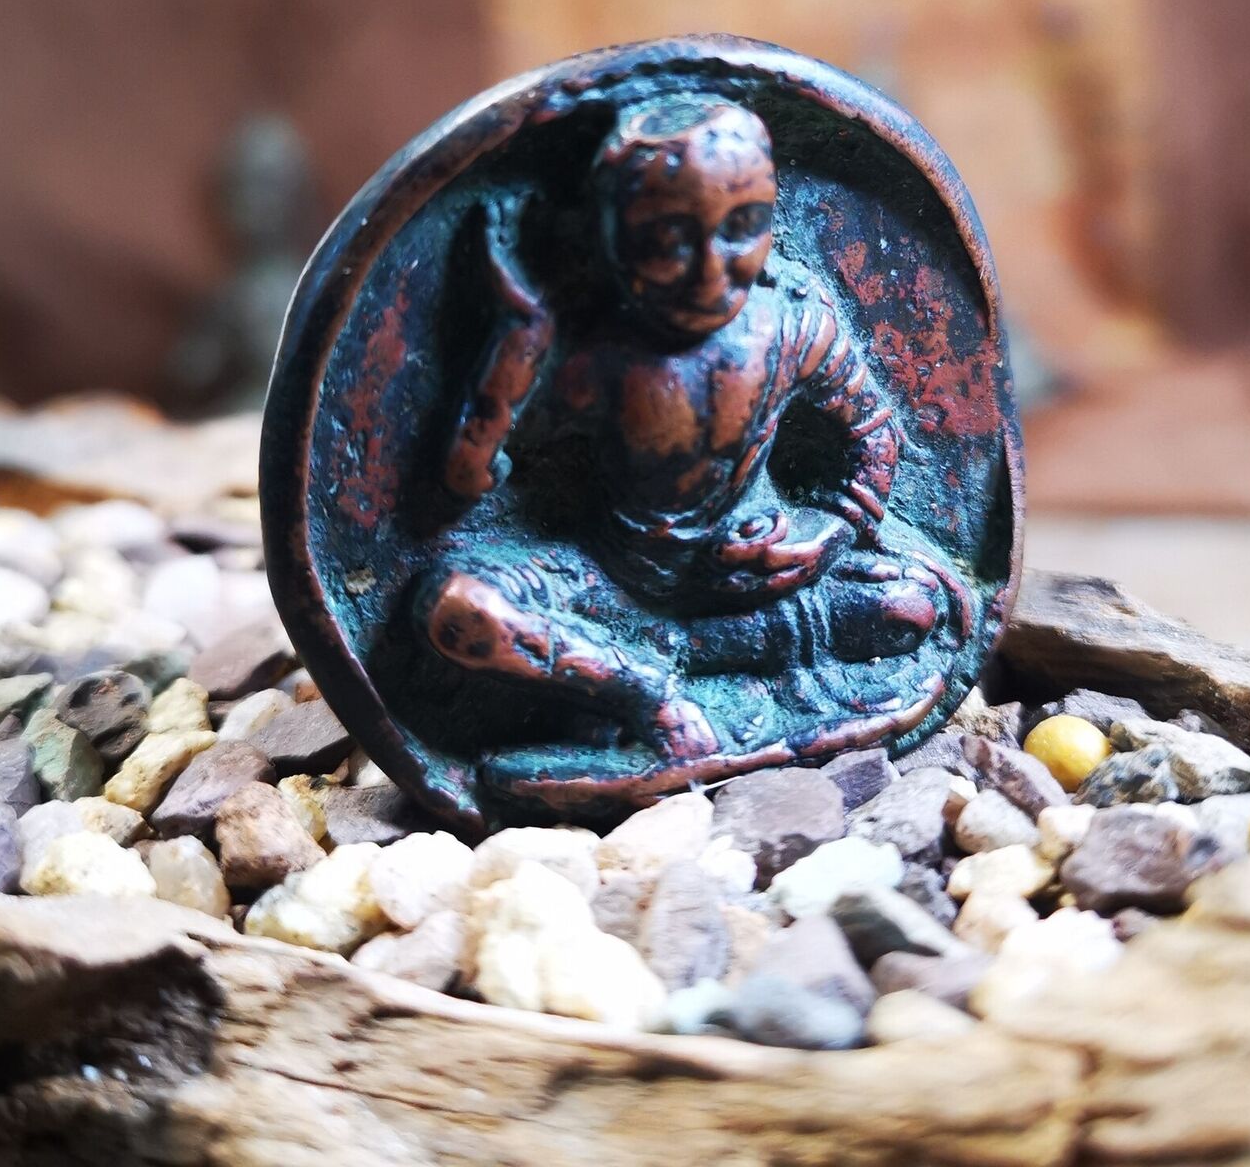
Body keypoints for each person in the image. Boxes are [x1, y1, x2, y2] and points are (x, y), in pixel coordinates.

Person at [414, 94, 970, 786]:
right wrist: (520, 338)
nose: (711, 272)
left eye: (744, 227)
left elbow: (873, 434)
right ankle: (650, 694)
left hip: (768, 577)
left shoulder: (792, 318)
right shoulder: (595, 356)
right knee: (458, 610)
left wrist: (828, 530)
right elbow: (466, 480)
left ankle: (672, 665)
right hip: (619, 587)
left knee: (914, 602)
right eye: (670, 241)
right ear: (614, 241)